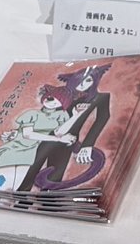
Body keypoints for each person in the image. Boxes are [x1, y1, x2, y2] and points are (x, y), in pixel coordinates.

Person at [17, 63, 111, 192]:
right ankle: (21, 197)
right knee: (33, 169)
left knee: (55, 177)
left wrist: (87, 145)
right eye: (80, 80)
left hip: (69, 140)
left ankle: (46, 201)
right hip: (48, 135)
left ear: (95, 81)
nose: (83, 84)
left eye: (88, 80)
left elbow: (102, 118)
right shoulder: (62, 94)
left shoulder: (101, 97)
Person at [0, 84, 85, 192]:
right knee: (4, 189)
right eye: (51, 98)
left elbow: (59, 132)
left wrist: (75, 116)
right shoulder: (32, 114)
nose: (52, 102)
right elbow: (28, 135)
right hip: (12, 151)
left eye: (59, 101)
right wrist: (58, 139)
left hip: (29, 155)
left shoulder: (61, 115)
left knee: (15, 189)